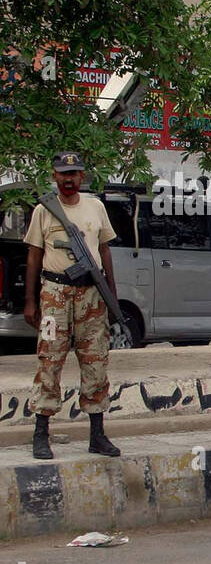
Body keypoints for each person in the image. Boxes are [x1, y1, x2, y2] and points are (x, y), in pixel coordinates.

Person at [23, 151, 120, 460]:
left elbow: (104, 251)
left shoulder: (96, 207)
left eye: (74, 173)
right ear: (55, 176)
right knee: (49, 361)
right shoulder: (44, 209)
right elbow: (34, 256)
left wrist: (111, 295)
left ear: (82, 176)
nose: (68, 179)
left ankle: (97, 435)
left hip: (91, 294)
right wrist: (29, 300)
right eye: (63, 173)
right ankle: (41, 435)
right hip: (54, 294)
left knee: (95, 362)